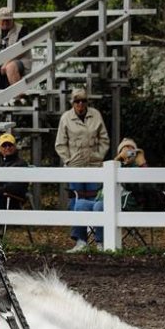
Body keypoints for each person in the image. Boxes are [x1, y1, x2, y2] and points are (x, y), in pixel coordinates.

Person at [56, 88, 110, 252]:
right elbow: (60, 143)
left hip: (94, 166)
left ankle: (100, 241)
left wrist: (98, 156)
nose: (80, 104)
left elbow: (104, 139)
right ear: (72, 103)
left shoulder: (96, 115)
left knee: (98, 202)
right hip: (76, 167)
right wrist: (68, 160)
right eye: (77, 101)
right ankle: (80, 240)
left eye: (83, 101)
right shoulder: (66, 118)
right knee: (75, 202)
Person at [0, 7, 29, 87]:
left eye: (8, 20)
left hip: (18, 61)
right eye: (3, 20)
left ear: (13, 19)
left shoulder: (22, 30)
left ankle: (18, 97)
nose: (5, 22)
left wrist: (6, 63)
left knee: (10, 67)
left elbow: (21, 51)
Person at [0, 132, 29, 209]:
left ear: (15, 147)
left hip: (12, 200)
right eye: (4, 145)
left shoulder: (21, 164)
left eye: (10, 145)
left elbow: (16, 187)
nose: (7, 148)